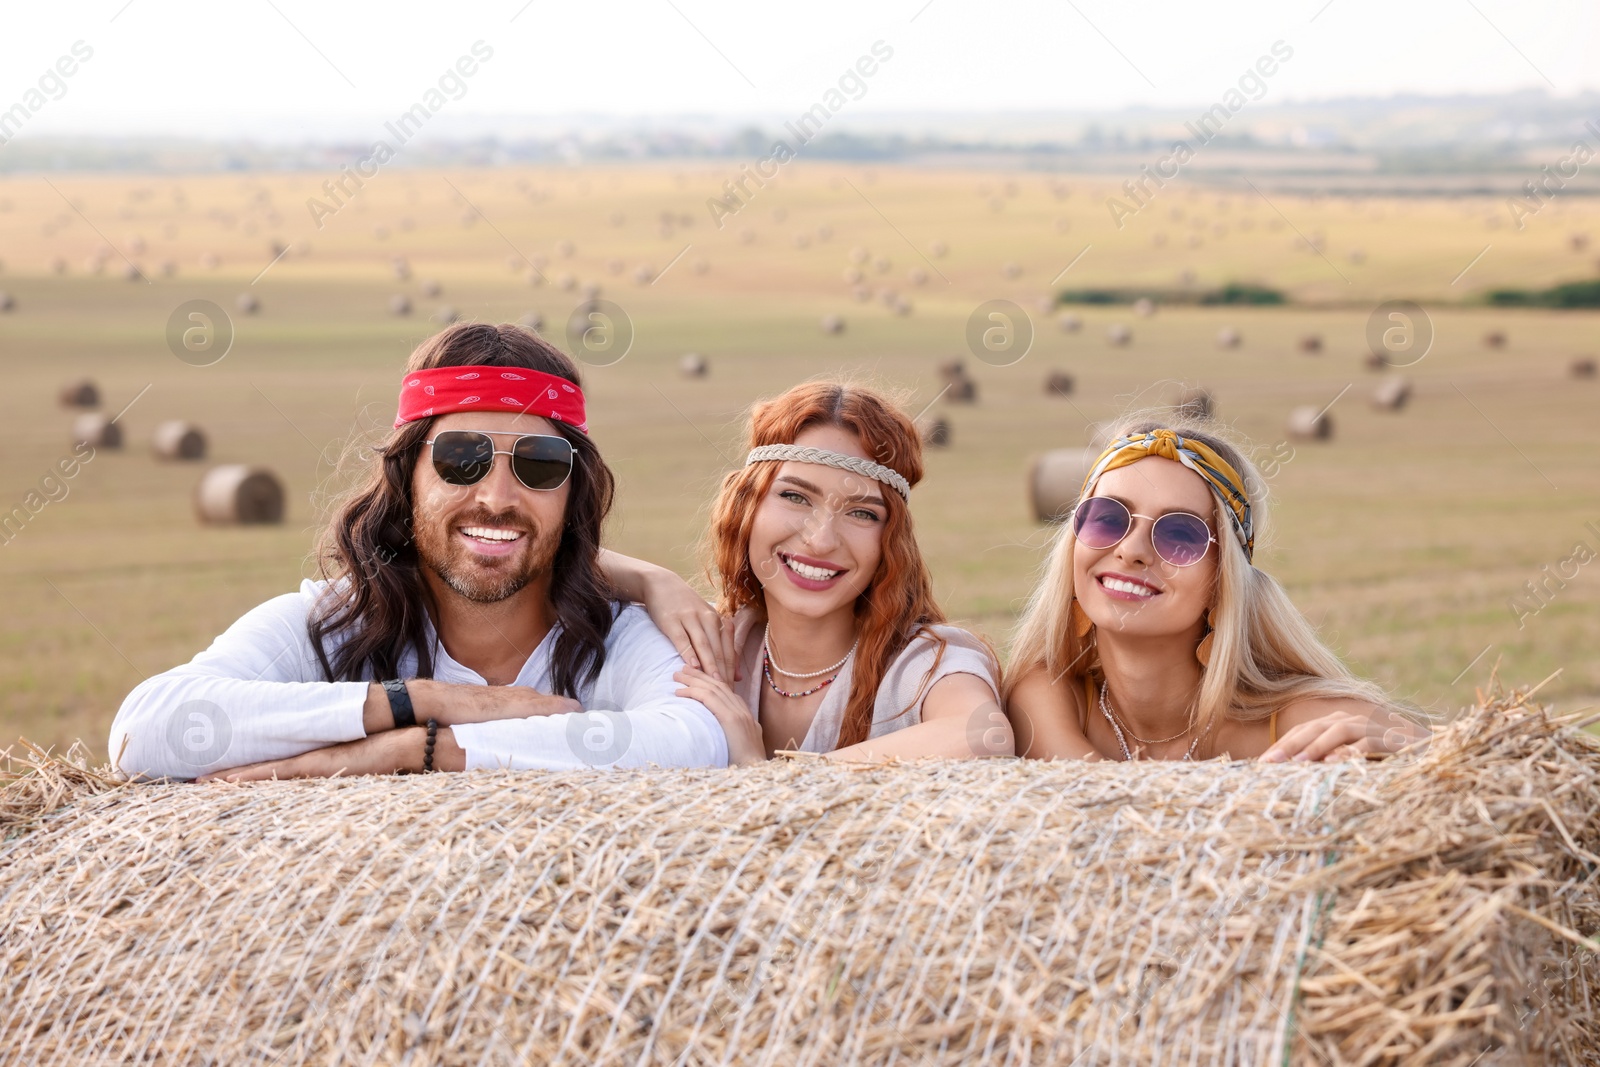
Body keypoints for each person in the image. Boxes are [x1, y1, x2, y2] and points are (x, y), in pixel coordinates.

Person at [109, 323, 726, 781]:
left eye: (541, 464)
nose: (497, 497)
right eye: (462, 458)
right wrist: (422, 701)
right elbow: (144, 732)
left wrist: (418, 749)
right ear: (408, 480)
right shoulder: (333, 623)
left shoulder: (615, 636)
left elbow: (697, 739)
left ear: (574, 492)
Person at [602, 381, 1011, 764]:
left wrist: (769, 773)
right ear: (748, 506)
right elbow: (549, 559)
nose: (820, 540)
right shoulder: (709, 643)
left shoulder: (923, 665)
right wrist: (652, 579)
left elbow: (982, 735)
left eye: (862, 512)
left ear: (892, 538)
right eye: (795, 496)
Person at [1004, 415, 1426, 762]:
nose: (1131, 550)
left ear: (1222, 583)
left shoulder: (1298, 723)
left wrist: (1424, 750)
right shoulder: (1047, 692)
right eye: (1107, 518)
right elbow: (1105, 806)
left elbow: (1465, 761)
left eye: (1180, 535)